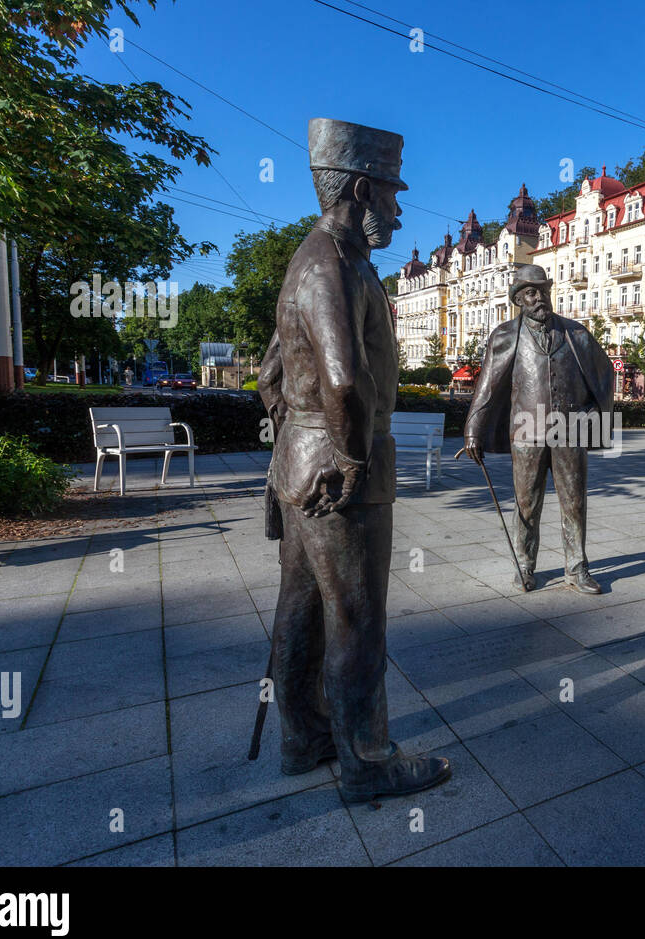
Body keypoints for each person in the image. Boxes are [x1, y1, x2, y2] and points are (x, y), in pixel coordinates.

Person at [257, 118, 450, 804]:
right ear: (363, 189)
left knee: (302, 609)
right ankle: (367, 763)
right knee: (357, 618)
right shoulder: (332, 264)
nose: (398, 210)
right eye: (394, 196)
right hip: (340, 462)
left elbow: (270, 374)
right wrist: (352, 456)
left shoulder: (311, 260)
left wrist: (291, 449)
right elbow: (342, 380)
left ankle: (304, 738)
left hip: (302, 458)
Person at [463, 264, 615, 594]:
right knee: (526, 504)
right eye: (531, 293)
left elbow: (605, 376)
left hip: (569, 431)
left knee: (574, 502)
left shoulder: (576, 334)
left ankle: (577, 567)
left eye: (543, 291)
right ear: (518, 299)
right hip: (526, 432)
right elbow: (487, 387)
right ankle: (525, 565)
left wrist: (592, 412)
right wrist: (473, 430)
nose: (539, 298)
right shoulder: (505, 335)